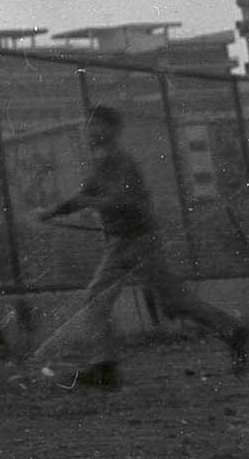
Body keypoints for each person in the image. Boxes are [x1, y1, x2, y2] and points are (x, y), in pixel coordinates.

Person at [31, 103, 249, 388]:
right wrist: (50, 213)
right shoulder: (102, 163)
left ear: (111, 130)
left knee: (175, 302)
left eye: (95, 125)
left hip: (141, 242)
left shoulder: (122, 162)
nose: (89, 130)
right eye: (88, 124)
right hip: (120, 244)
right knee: (97, 300)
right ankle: (105, 367)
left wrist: (88, 202)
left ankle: (235, 331)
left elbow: (125, 202)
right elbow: (81, 197)